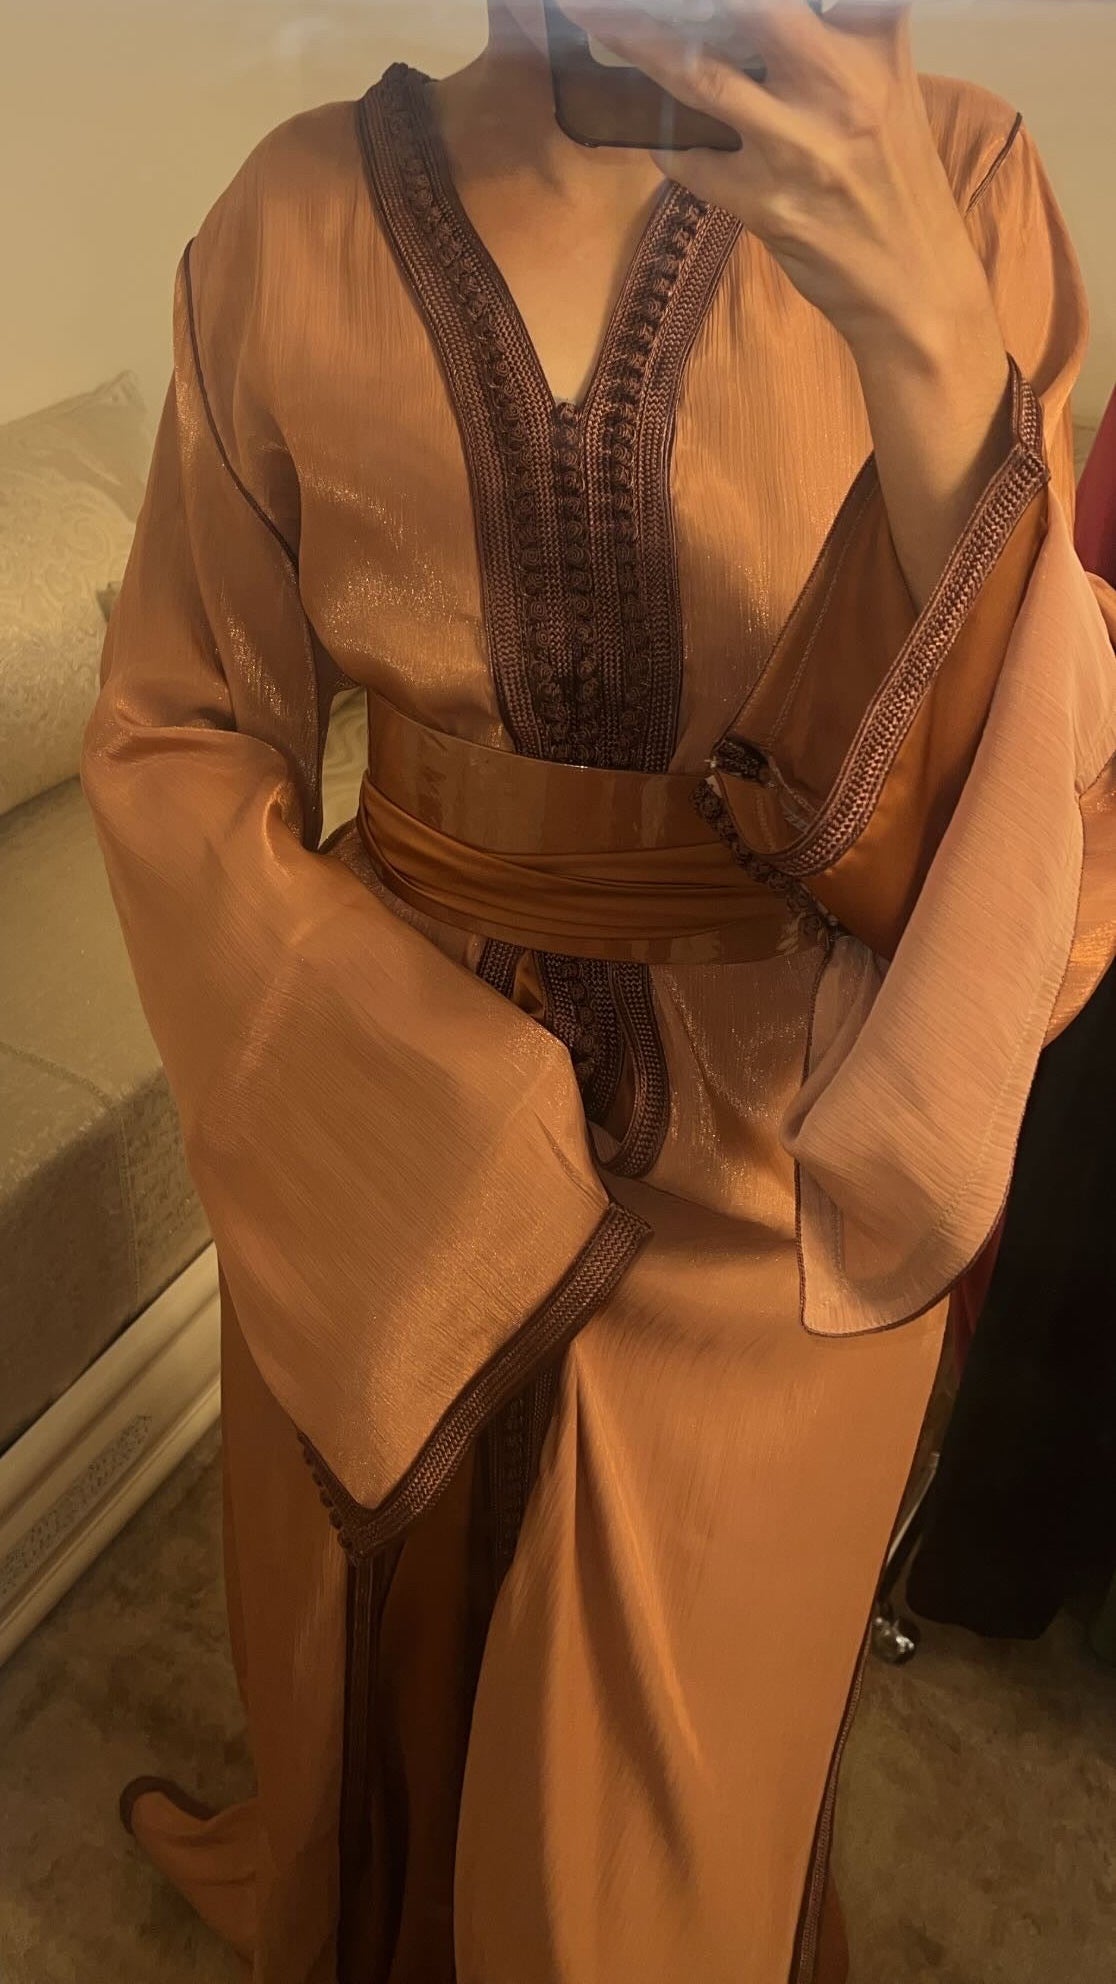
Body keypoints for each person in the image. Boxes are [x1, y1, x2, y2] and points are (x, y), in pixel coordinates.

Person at [79, 3, 1116, 1980]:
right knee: (371, 1705)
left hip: (782, 1184)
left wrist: (923, 342)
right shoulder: (291, 220)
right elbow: (178, 735)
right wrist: (427, 1115)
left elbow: (1027, 829)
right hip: (380, 1146)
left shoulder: (960, 179)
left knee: (651, 1858)